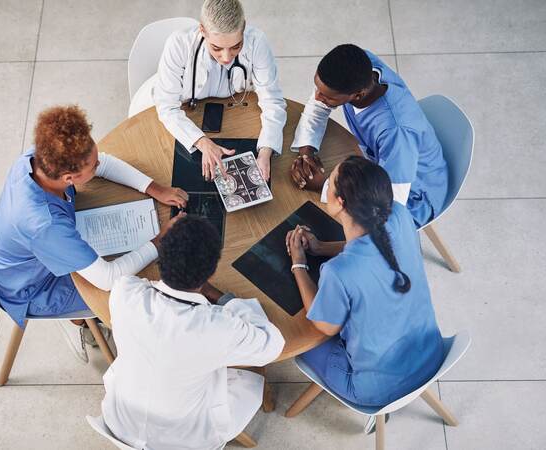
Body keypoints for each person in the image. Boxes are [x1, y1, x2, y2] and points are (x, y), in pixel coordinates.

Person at [0, 105, 188, 363]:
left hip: (18, 254)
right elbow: (108, 279)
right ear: (69, 177)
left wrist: (155, 189)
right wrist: (160, 241)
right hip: (31, 288)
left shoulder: (40, 157)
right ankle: (79, 321)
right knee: (144, 293)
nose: (99, 163)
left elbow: (104, 163)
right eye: (93, 165)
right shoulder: (45, 225)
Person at [101, 216, 285, 449]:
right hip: (182, 437)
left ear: (161, 258)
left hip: (120, 417)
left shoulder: (124, 292)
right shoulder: (218, 327)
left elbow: (142, 285)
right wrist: (221, 297)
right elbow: (272, 345)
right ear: (211, 273)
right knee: (250, 383)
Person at [286, 156, 443, 407]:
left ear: (339, 202)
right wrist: (322, 247)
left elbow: (325, 327)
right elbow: (376, 248)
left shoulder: (339, 271)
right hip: (431, 355)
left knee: (294, 338)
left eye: (330, 183)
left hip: (375, 389)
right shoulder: (401, 216)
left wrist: (299, 263)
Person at [290, 44, 448, 227]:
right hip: (385, 167)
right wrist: (306, 153)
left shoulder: (395, 132)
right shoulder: (359, 66)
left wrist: (327, 186)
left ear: (358, 95)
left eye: (328, 97)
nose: (317, 97)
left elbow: (389, 205)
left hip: (412, 199)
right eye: (317, 88)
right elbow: (318, 106)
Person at [130, 0, 287, 181]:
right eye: (217, 48)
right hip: (163, 106)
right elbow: (167, 108)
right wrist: (202, 142)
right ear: (203, 31)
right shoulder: (179, 43)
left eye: (236, 46)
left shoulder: (257, 42)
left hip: (225, 109)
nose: (226, 57)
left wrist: (265, 151)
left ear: (243, 27)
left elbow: (272, 101)